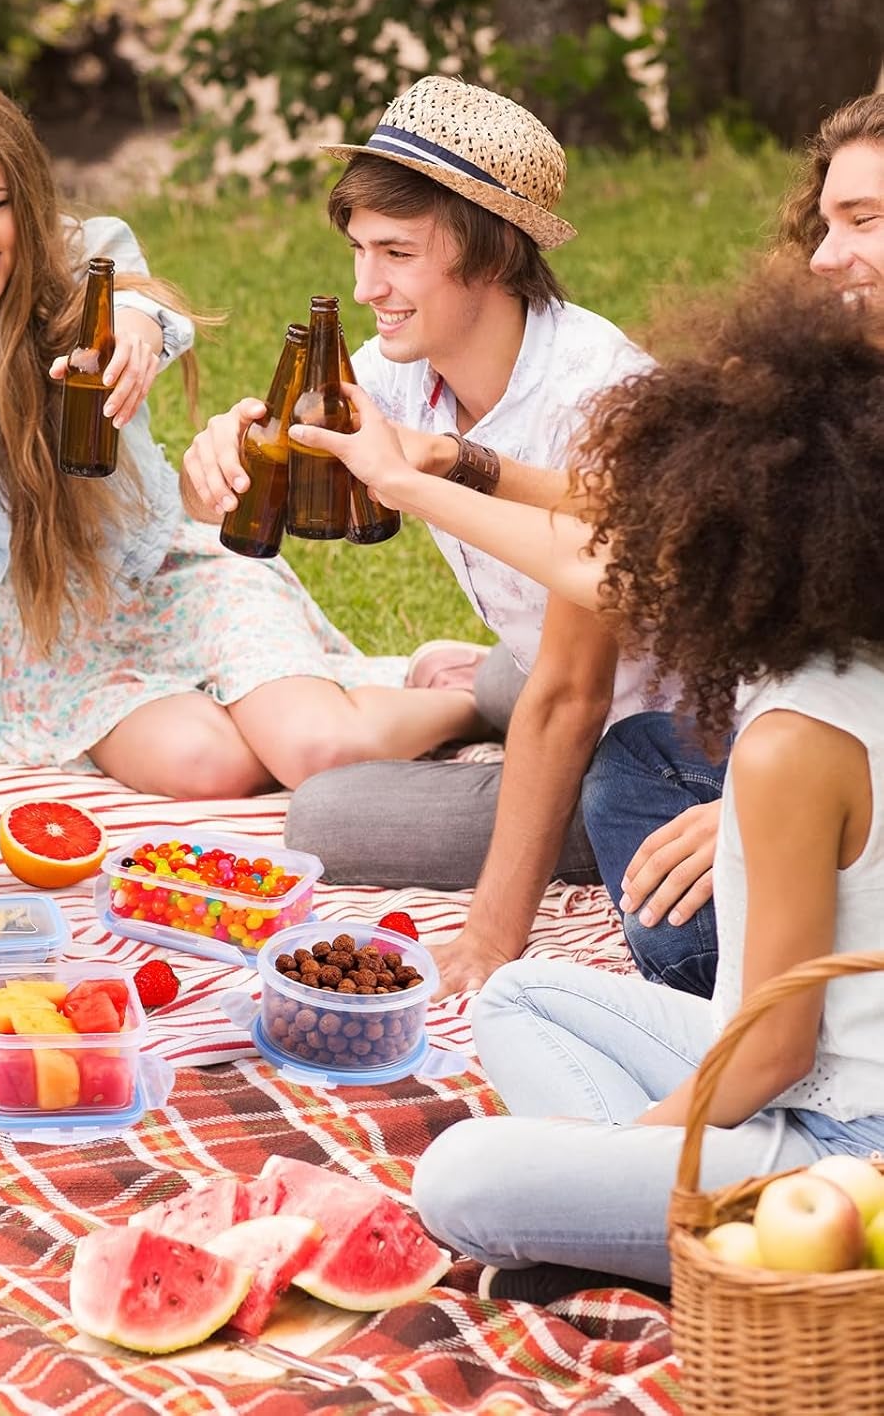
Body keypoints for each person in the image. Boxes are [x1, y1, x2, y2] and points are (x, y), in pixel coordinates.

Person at [295, 266, 884, 1299]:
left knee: (461, 1179)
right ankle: (628, 1222)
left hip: (843, 1141)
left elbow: (774, 1055)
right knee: (517, 996)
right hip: (795, 1067)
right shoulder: (843, 661)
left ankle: (677, 1245)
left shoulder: (791, 741)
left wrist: (641, 1148)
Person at [0, 76, 487, 798]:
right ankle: (349, 693)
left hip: (164, 565)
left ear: (27, 198)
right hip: (46, 623)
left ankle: (479, 700)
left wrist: (137, 326)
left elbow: (138, 299)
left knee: (318, 753)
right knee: (212, 766)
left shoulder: (84, 254)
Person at [181, 75, 670, 994]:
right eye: (362, 249)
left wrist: (489, 938)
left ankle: (535, 769)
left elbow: (572, 697)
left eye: (397, 253)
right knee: (503, 673)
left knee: (327, 817)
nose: (367, 286)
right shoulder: (396, 370)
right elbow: (267, 482)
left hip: (648, 725)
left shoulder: (599, 397)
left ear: (487, 257)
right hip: (548, 657)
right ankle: (480, 681)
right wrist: (214, 460)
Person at [574, 91, 884, 1000]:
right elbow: (640, 541)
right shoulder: (847, 398)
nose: (825, 258)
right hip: (834, 754)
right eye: (824, 222)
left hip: (846, 784)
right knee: (635, 757)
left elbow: (621, 565)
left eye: (862, 220)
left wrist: (769, 815)